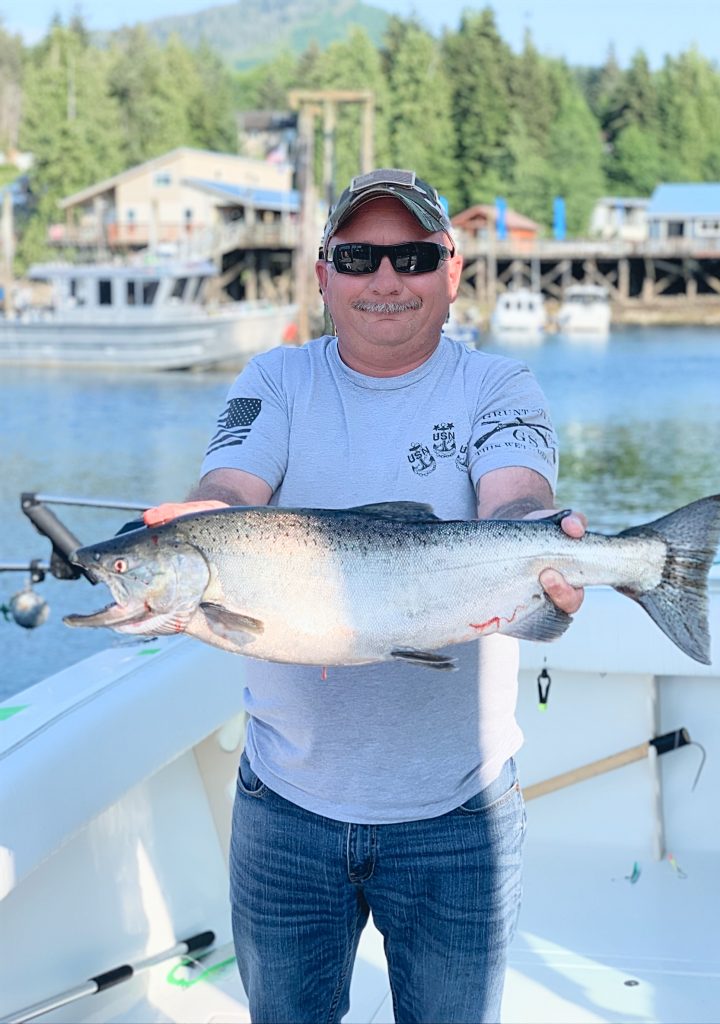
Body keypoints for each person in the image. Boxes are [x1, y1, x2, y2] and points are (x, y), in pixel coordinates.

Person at [145, 168, 585, 1024]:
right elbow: (232, 491)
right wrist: (207, 522)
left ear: (453, 271)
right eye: (358, 256)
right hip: (286, 810)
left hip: (460, 813)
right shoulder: (273, 379)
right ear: (322, 272)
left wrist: (546, 541)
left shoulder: (499, 387)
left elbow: (514, 502)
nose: (386, 280)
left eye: (414, 257)